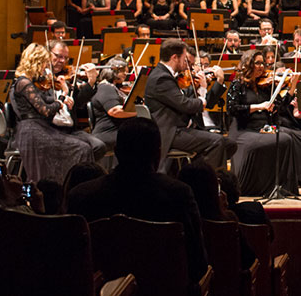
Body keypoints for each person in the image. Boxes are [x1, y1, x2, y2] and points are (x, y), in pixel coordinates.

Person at [67, 117, 209, 283]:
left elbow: (72, 265)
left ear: (117, 152)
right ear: (158, 153)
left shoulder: (81, 196)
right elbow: (197, 262)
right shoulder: (179, 194)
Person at [8, 44, 97, 183]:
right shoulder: (23, 82)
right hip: (32, 132)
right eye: (44, 62)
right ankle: (69, 186)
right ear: (36, 62)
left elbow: (45, 100)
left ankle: (68, 186)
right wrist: (62, 98)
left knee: (83, 147)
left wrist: (63, 95)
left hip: (40, 129)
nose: (45, 67)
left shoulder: (30, 82)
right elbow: (45, 110)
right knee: (81, 149)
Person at [143, 38, 231, 172]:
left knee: (229, 144)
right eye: (184, 59)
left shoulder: (163, 74)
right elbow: (185, 105)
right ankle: (207, 185)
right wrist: (202, 99)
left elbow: (179, 96)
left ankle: (195, 177)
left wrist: (198, 87)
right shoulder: (161, 78)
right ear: (174, 57)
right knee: (217, 142)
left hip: (180, 128)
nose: (186, 64)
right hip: (170, 132)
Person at [226, 49, 298, 196]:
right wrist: (258, 106)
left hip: (262, 128)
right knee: (278, 139)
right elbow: (232, 109)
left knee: (286, 139)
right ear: (248, 64)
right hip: (243, 130)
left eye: (262, 63)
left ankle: (280, 188)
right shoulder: (237, 85)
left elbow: (279, 107)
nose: (261, 66)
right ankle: (250, 187)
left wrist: (292, 87)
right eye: (257, 63)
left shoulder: (264, 85)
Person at [89, 57, 137, 152]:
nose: (125, 74)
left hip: (117, 131)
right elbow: (115, 111)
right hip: (109, 133)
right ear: (113, 70)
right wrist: (140, 111)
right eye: (123, 71)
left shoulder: (113, 87)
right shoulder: (106, 88)